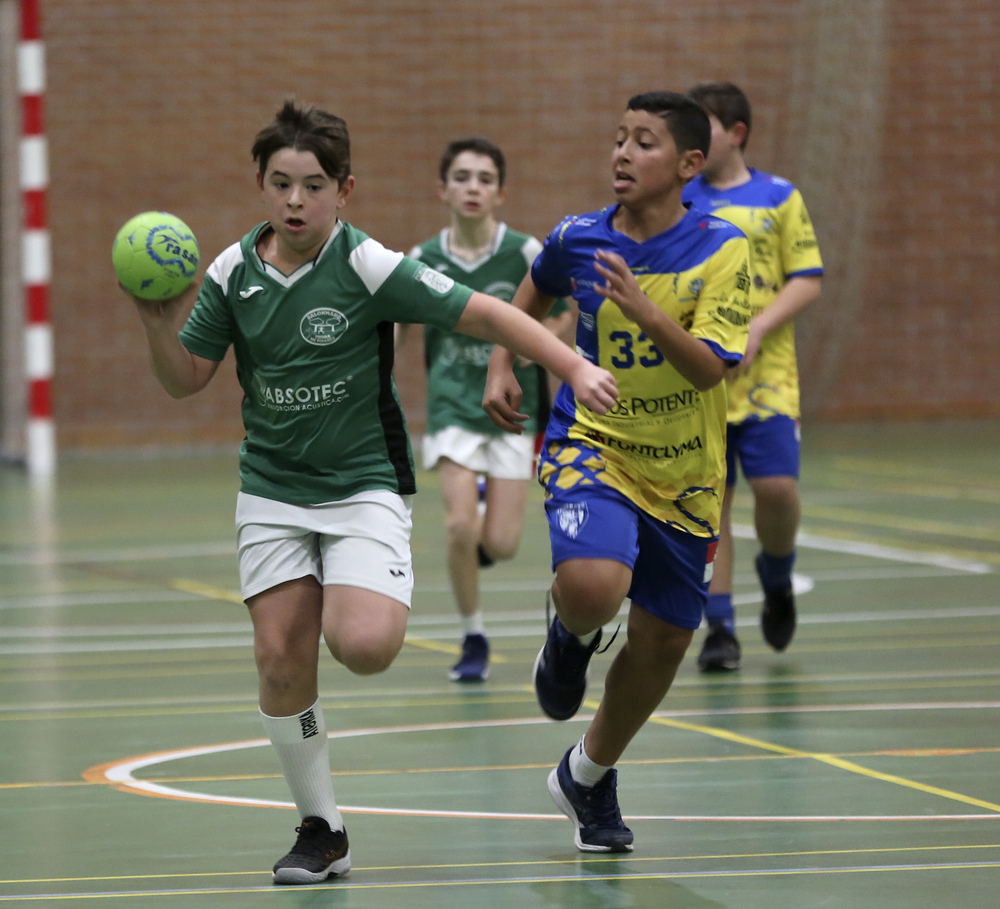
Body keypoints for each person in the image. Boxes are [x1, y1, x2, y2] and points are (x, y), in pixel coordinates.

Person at [123, 101, 617, 885]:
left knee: (366, 646)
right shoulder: (228, 272)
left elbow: (484, 311)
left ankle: (347, 593)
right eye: (281, 184)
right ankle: (322, 828)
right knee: (279, 654)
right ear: (259, 183)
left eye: (312, 186)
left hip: (362, 483)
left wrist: (571, 366)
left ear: (344, 190)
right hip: (274, 488)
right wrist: (158, 323)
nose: (294, 201)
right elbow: (186, 379)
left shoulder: (367, 265)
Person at [484, 91, 751, 853]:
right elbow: (535, 283)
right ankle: (570, 635)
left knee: (665, 641)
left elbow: (709, 372)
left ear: (690, 164)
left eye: (645, 142)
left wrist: (646, 311)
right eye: (619, 138)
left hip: (688, 473)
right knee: (596, 584)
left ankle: (587, 776)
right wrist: (505, 358)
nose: (623, 154)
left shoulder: (720, 250)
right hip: (594, 444)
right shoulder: (581, 236)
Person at [403, 136, 573, 683]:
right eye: (462, 177)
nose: (472, 187)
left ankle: (478, 523)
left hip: (511, 408)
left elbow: (564, 316)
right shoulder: (421, 261)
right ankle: (473, 634)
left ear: (500, 192)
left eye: (483, 179)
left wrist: (525, 346)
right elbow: (397, 326)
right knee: (458, 527)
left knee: (499, 543)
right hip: (452, 405)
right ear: (443, 190)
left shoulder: (525, 253)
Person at [683, 81, 824, 672]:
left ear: (736, 133)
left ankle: (779, 575)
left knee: (776, 492)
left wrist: (760, 326)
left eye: (704, 127)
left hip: (767, 380)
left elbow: (807, 277)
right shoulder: (682, 200)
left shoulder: (780, 197)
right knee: (713, 504)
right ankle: (720, 628)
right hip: (702, 381)